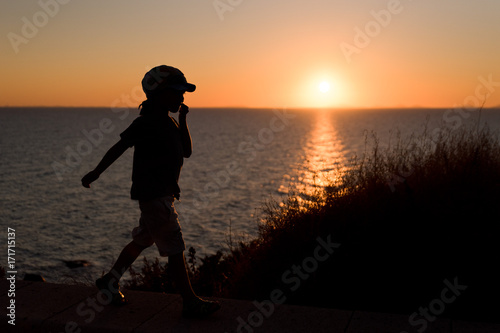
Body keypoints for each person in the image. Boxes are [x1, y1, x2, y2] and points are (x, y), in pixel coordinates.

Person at [81, 65, 221, 317]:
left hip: (162, 195)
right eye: (177, 91)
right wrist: (96, 172)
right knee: (176, 247)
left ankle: (110, 280)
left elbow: (186, 151)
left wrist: (183, 119)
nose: (182, 97)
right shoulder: (145, 123)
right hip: (154, 196)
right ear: (158, 93)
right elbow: (119, 147)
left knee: (143, 239)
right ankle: (190, 303)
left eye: (183, 93)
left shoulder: (168, 121)